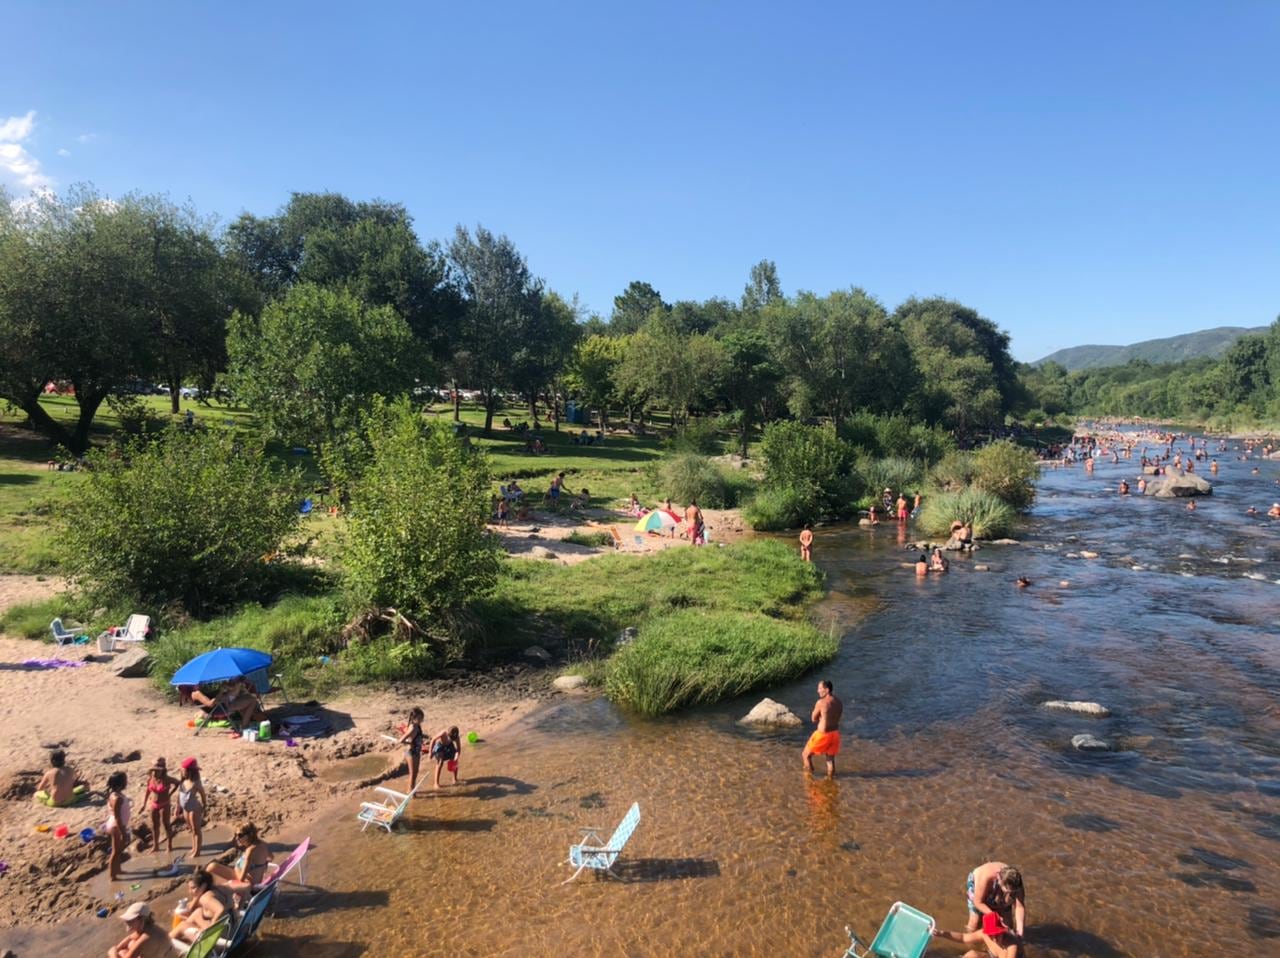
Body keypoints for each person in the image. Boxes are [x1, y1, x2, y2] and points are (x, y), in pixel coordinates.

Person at [964, 863, 1026, 956]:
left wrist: (1020, 930)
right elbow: (978, 902)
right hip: (978, 888)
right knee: (974, 923)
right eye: (1007, 891)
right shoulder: (986, 877)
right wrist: (994, 916)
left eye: (1012, 893)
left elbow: (1019, 906)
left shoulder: (1017, 884)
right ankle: (970, 946)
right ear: (999, 880)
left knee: (1007, 926)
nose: (1009, 895)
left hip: (1001, 888)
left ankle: (996, 951)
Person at [205, 822, 272, 899]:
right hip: (252, 880)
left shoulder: (250, 851)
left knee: (211, 868)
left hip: (245, 883)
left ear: (249, 835)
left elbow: (241, 878)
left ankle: (212, 895)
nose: (237, 838)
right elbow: (271, 857)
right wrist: (263, 864)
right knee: (212, 867)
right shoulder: (262, 844)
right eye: (236, 835)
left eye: (240, 835)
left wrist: (234, 888)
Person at [170, 870, 231, 946]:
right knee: (198, 912)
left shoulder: (205, 898)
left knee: (182, 925)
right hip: (231, 929)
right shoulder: (220, 889)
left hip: (219, 939)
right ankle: (178, 936)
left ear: (203, 886)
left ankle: (166, 942)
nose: (190, 891)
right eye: (189, 888)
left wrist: (211, 928)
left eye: (193, 888)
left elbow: (220, 909)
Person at [802, 680, 843, 778]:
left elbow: (813, 719)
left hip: (823, 734)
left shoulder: (821, 702)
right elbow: (836, 716)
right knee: (830, 759)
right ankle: (830, 780)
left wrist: (820, 717)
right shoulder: (838, 701)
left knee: (805, 755)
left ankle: (809, 779)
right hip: (835, 733)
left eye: (820, 688)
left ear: (827, 690)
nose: (818, 691)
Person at [140, 758, 178, 854]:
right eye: (153, 770)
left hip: (165, 804)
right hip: (154, 804)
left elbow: (178, 783)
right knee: (154, 825)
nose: (155, 772)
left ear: (162, 770)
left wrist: (170, 794)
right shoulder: (151, 779)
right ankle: (155, 845)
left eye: (157, 771)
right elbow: (148, 791)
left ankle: (169, 846)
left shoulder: (167, 779)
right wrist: (144, 804)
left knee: (166, 825)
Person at [104, 771, 132, 881]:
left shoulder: (115, 794)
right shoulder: (117, 798)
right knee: (115, 852)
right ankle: (112, 876)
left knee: (119, 850)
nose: (127, 782)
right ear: (121, 784)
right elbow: (117, 817)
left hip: (116, 824)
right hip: (116, 826)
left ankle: (118, 869)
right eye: (125, 781)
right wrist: (123, 832)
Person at [177, 757, 207, 857]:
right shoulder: (183, 781)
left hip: (194, 808)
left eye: (184, 770)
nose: (182, 772)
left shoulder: (196, 783)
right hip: (185, 808)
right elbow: (179, 795)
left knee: (196, 829)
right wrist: (178, 808)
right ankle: (194, 847)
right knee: (191, 829)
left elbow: (203, 794)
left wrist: (204, 805)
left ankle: (197, 851)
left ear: (190, 771)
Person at [399, 707, 426, 791]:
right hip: (411, 752)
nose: (421, 720)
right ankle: (410, 793)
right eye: (420, 718)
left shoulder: (417, 726)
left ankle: (411, 790)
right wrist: (410, 743)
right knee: (412, 774)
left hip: (416, 752)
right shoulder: (413, 727)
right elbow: (401, 740)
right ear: (414, 718)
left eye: (422, 718)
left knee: (415, 773)